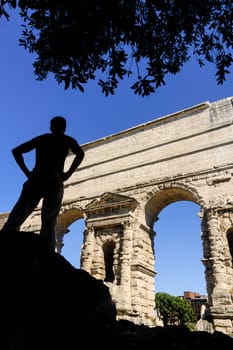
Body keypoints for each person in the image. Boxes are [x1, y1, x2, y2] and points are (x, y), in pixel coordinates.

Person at [2, 116, 85, 250]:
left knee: (18, 213)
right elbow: (80, 154)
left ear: (51, 127)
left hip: (36, 178)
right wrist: (68, 173)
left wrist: (27, 173)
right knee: (49, 221)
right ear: (64, 128)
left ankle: (5, 241)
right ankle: (48, 253)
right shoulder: (68, 140)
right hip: (55, 179)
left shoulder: (42, 138)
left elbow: (16, 151)